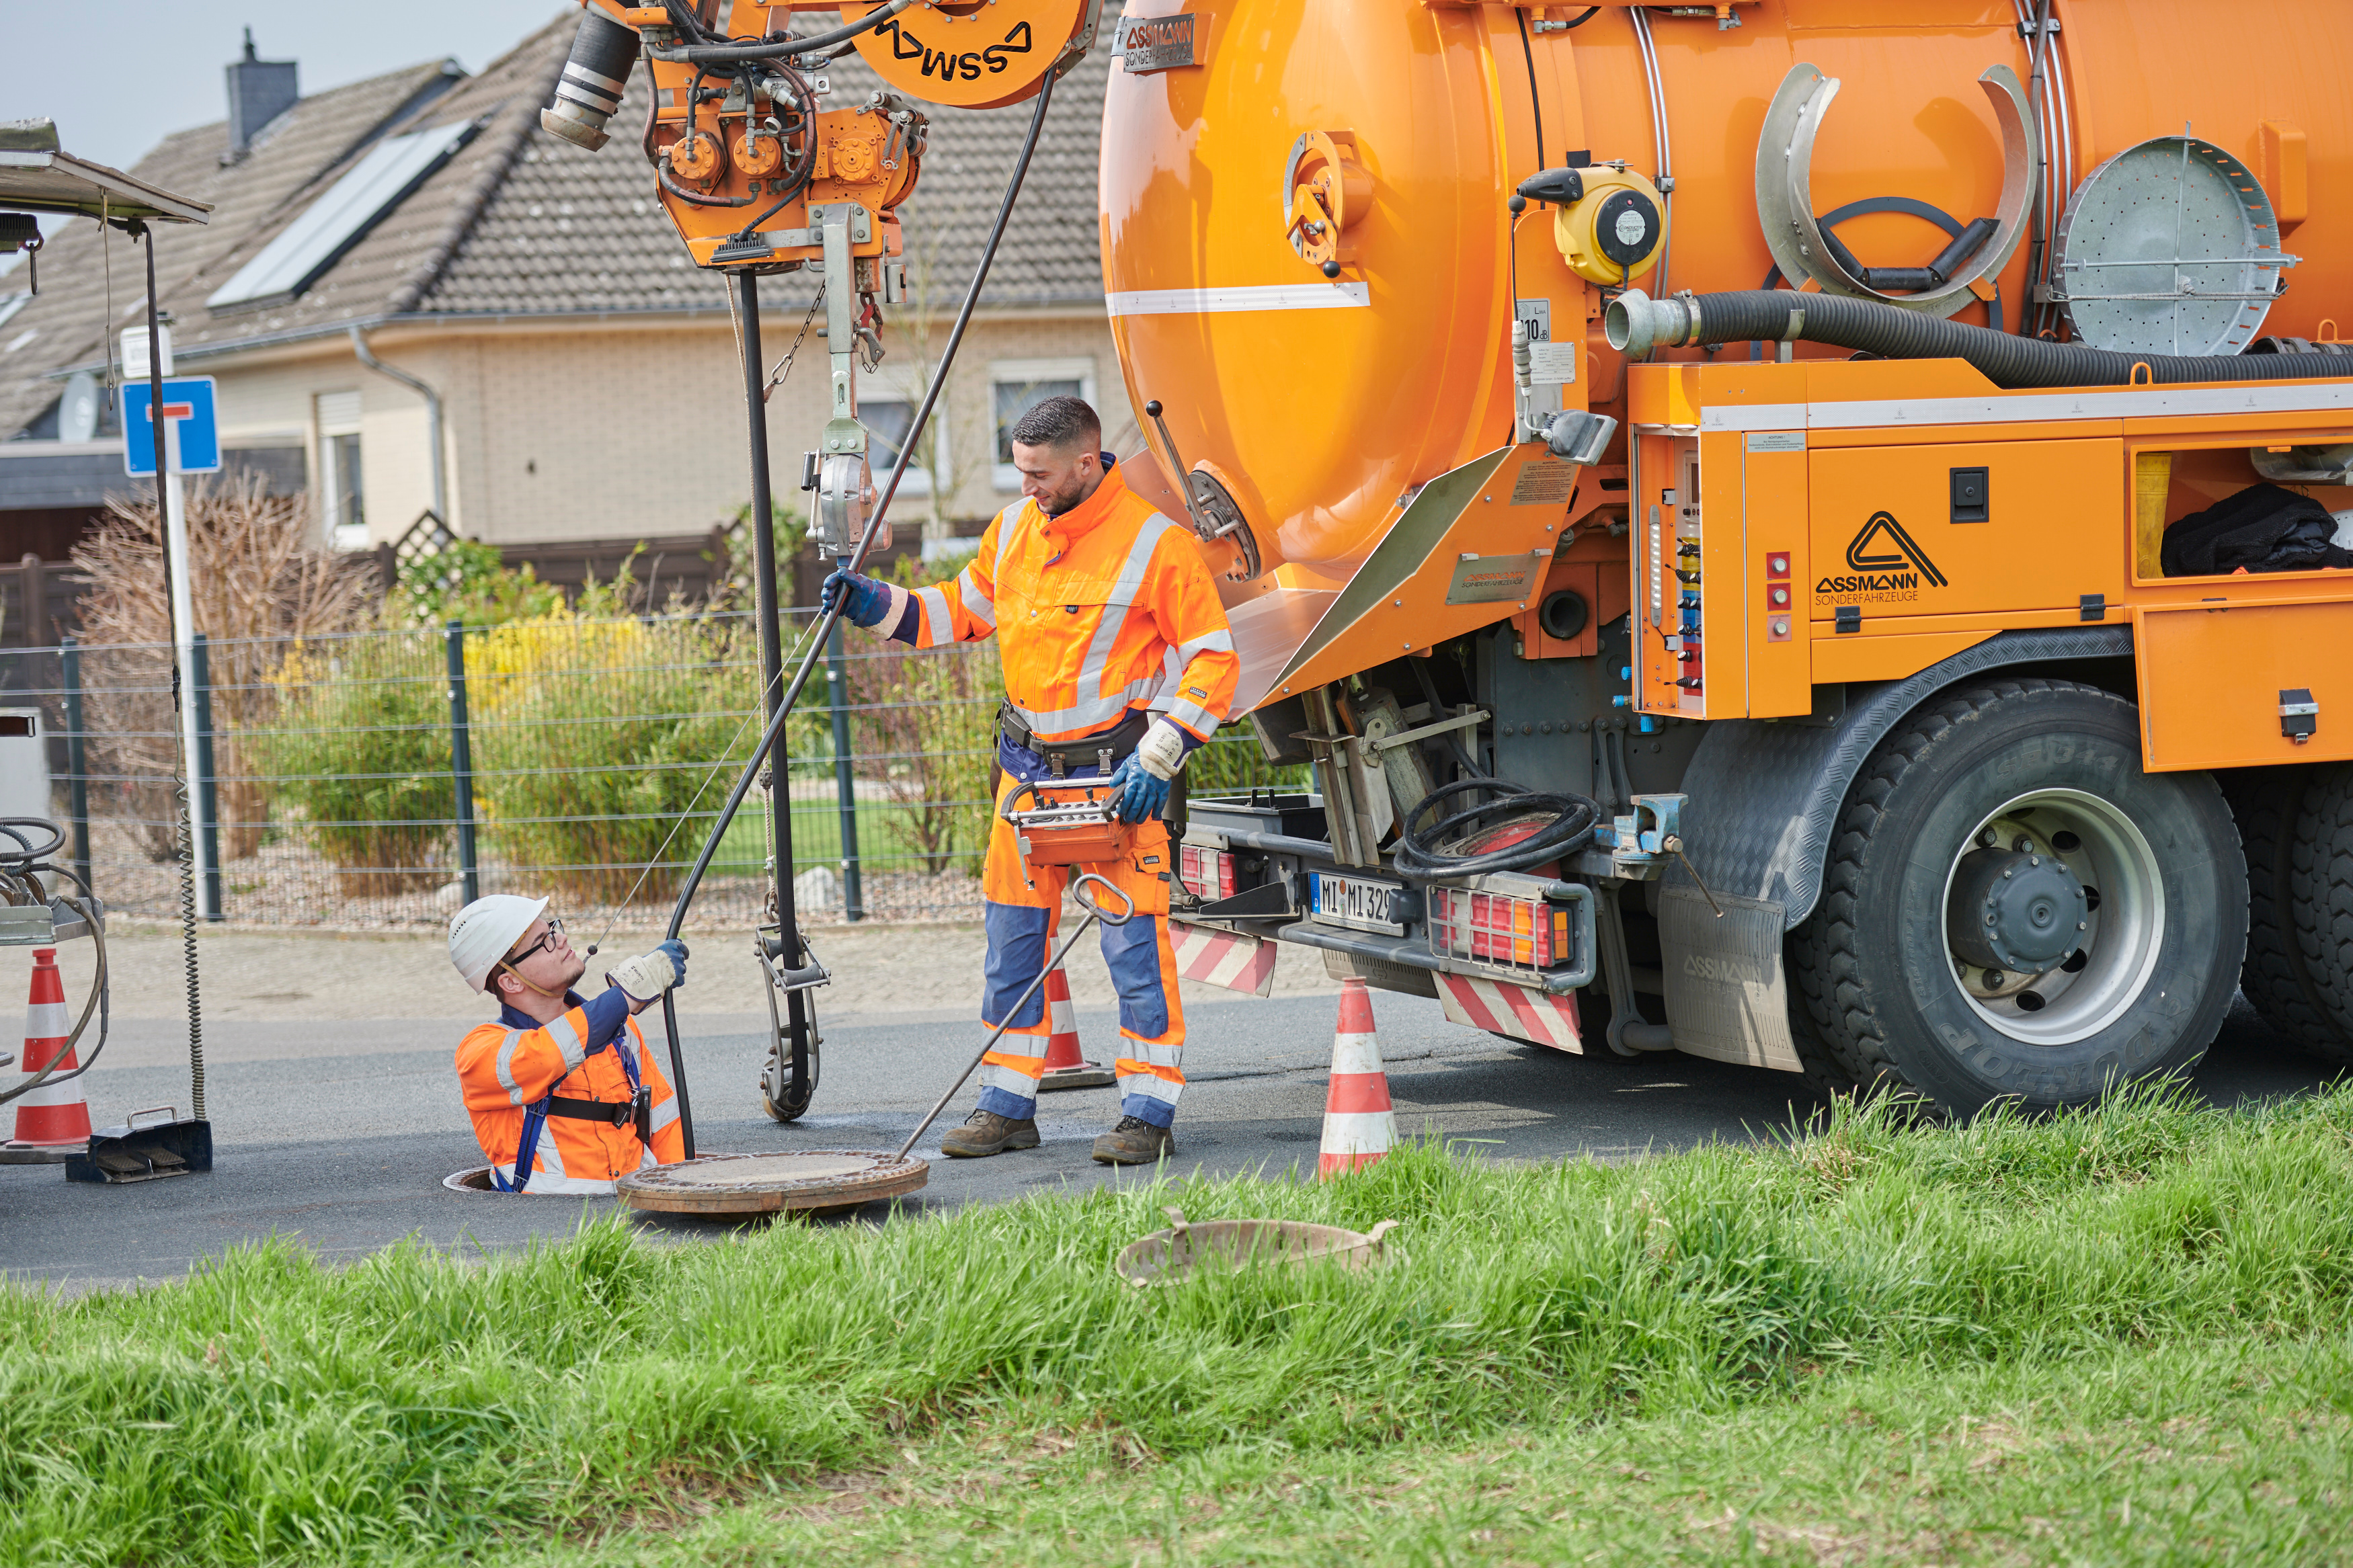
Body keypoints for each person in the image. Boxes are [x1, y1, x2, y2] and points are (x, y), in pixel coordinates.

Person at [823, 396, 1238, 1164]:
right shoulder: (1013, 529)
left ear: (1086, 462)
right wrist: (877, 604)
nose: (1026, 488)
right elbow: (959, 612)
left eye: (1038, 474)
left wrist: (1162, 752)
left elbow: (1214, 659)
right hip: (1024, 783)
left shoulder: (1156, 546)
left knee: (1132, 952)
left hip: (1118, 784)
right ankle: (1006, 1105)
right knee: (1011, 947)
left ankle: (1147, 1112)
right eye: (1018, 471)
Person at [447, 893, 691, 1193]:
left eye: (553, 928)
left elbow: (664, 1123)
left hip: (636, 1214)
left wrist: (682, 1194)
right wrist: (628, 994)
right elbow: (546, 1054)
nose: (561, 939)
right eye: (544, 942)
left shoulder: (620, 1029)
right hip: (546, 1227)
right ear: (511, 982)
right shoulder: (480, 1052)